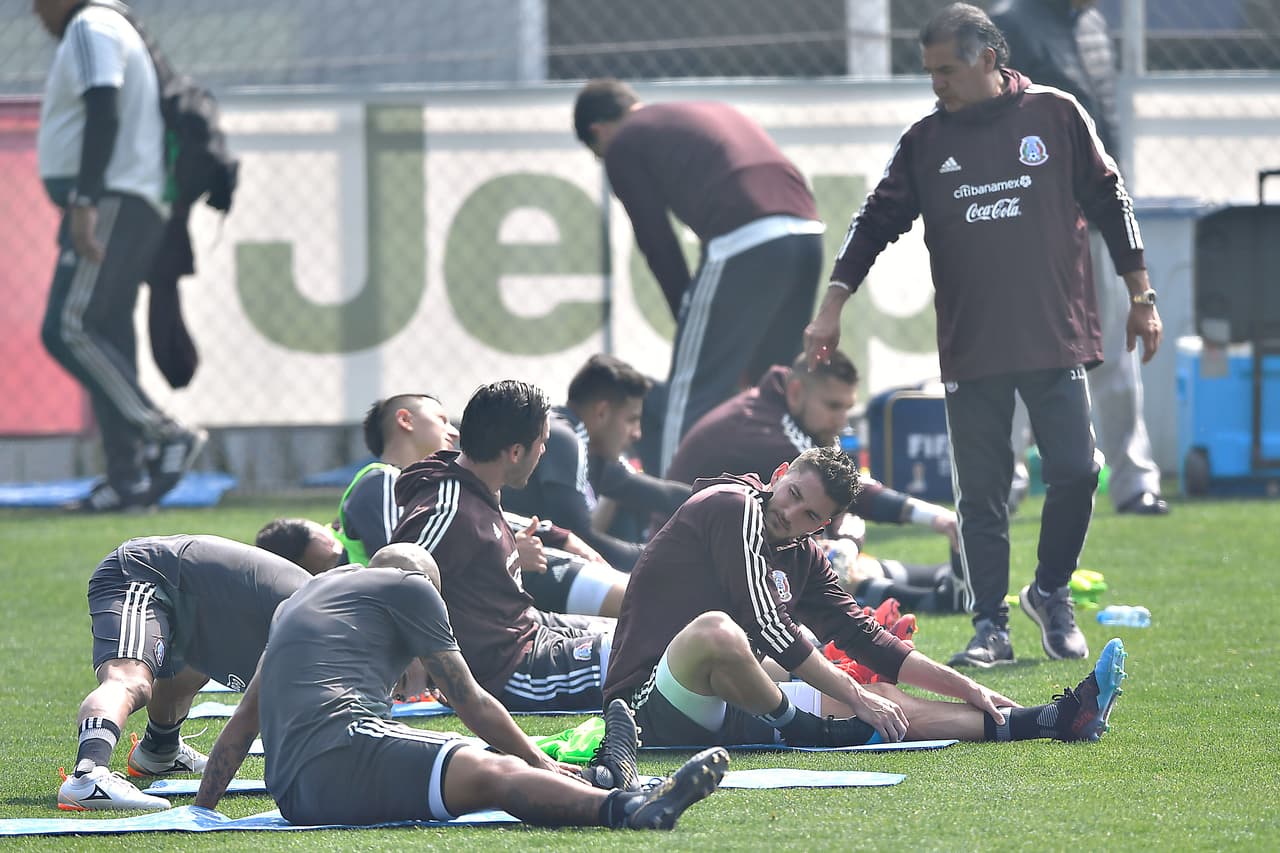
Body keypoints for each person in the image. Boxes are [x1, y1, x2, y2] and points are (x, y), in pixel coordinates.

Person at [803, 3, 1162, 667]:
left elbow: (1113, 201)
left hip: (1054, 334)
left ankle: (1050, 590)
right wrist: (832, 306)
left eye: (946, 70)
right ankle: (989, 624)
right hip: (973, 346)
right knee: (982, 494)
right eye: (929, 72)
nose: (936, 83)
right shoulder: (925, 141)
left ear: (989, 59)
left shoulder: (1057, 114)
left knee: (1078, 470)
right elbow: (873, 222)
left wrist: (1142, 296)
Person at [604, 446, 1129, 749]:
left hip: (725, 702)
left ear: (824, 524)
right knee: (720, 632)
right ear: (780, 476)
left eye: (810, 514)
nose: (790, 514)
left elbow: (866, 637)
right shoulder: (734, 505)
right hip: (646, 707)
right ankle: (802, 729)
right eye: (792, 494)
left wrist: (970, 687)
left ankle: (1048, 720)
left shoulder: (804, 555)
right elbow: (770, 628)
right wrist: (853, 696)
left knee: (883, 700)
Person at [193, 545, 728, 830]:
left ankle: (609, 784)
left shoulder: (301, 603)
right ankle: (626, 807)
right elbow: (470, 700)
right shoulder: (410, 588)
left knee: (474, 769)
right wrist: (535, 759)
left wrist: (201, 811)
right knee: (495, 769)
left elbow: (240, 727)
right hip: (344, 748)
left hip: (295, 792)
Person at [573, 79, 826, 476]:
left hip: (745, 238)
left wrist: (688, 314)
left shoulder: (623, 142)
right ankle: (800, 500)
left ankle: (671, 508)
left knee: (691, 394)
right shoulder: (700, 111)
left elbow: (657, 241)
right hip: (807, 232)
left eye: (597, 153)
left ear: (598, 131)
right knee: (776, 388)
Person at [989, 0, 1168, 516]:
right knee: (1015, 358)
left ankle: (1134, 483)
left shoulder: (1091, 24)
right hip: (1028, 225)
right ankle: (1003, 484)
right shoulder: (1009, 25)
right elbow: (992, 125)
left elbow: (1105, 129)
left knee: (1116, 352)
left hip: (1093, 217)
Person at [34, 0, 205, 512]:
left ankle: (167, 434)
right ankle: (125, 478)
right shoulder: (110, 25)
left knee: (68, 327)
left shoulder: (91, 24)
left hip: (111, 198)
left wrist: (86, 199)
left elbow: (103, 106)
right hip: (127, 198)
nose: (34, 11)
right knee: (106, 332)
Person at [256, 393, 629, 618]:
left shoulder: (435, 484)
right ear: (405, 421)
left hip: (497, 589)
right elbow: (408, 560)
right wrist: (509, 553)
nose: (453, 431)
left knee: (630, 608)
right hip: (481, 603)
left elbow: (482, 522)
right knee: (635, 610)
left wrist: (557, 536)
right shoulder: (381, 480)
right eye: (440, 419)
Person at [666, 349, 963, 613]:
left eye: (847, 408)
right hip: (695, 566)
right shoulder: (767, 433)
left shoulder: (780, 406)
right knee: (824, 556)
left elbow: (843, 500)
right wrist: (936, 518)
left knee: (830, 546)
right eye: (833, 406)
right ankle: (933, 599)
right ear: (796, 392)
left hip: (734, 549)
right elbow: (847, 492)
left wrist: (847, 542)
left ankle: (936, 582)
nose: (841, 420)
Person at [390, 381, 614, 712]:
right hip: (510, 670)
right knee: (635, 655)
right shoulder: (447, 508)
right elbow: (392, 579)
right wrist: (418, 675)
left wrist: (554, 537)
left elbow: (490, 533)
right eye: (542, 442)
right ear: (515, 452)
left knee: (635, 631)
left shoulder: (476, 485)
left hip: (530, 629)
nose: (544, 452)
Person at [55, 535, 322, 811]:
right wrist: (204, 806)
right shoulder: (317, 622)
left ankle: (160, 750)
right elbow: (256, 715)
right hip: (144, 573)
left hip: (198, 598)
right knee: (130, 680)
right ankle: (88, 775)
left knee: (195, 669)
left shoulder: (325, 616)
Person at [504, 354, 691, 572]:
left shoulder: (589, 448)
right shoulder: (564, 440)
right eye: (631, 420)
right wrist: (667, 557)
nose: (637, 433)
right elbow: (580, 541)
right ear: (602, 413)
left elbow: (661, 495)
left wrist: (720, 496)